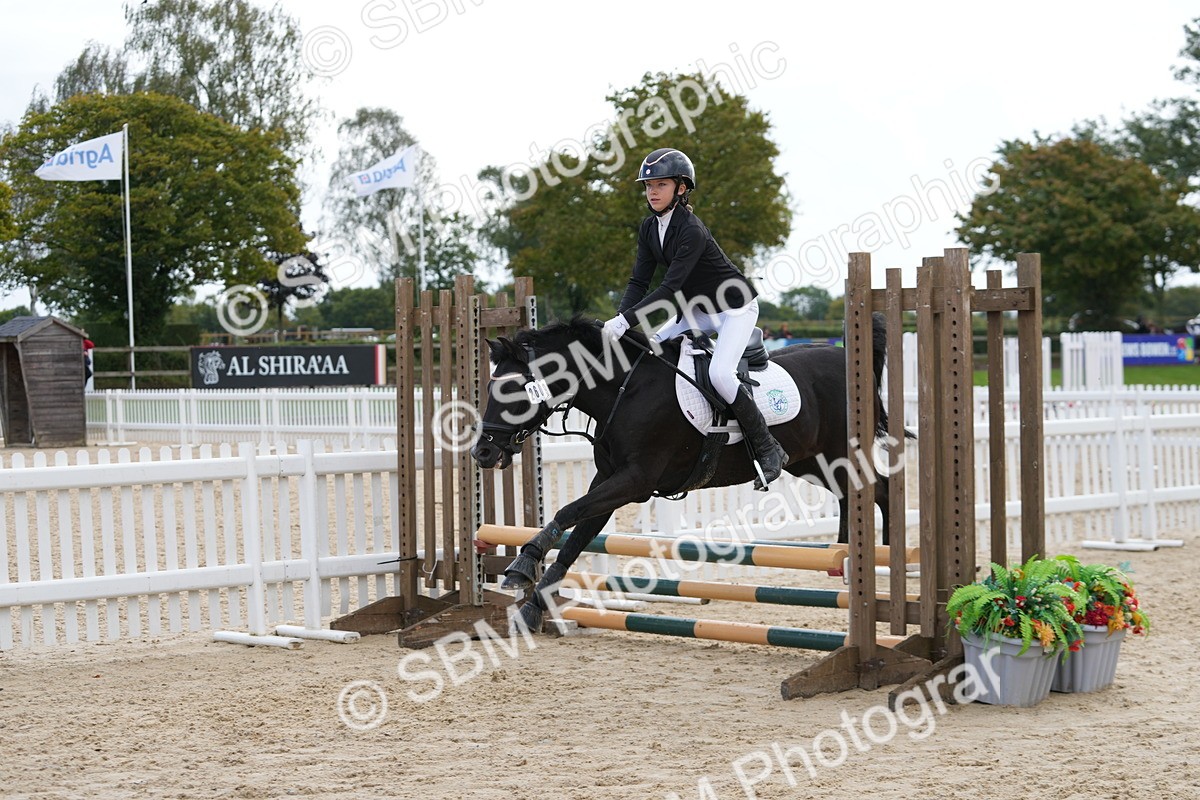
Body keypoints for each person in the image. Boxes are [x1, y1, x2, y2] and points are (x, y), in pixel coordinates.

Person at [602, 147, 787, 490]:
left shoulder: (691, 230)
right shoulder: (649, 228)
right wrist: (619, 318)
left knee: (720, 374)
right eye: (648, 185)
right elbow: (638, 282)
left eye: (661, 184)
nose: (652, 191)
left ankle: (768, 449)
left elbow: (669, 288)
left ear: (681, 188)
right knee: (648, 352)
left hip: (734, 309)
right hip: (697, 311)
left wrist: (627, 320)